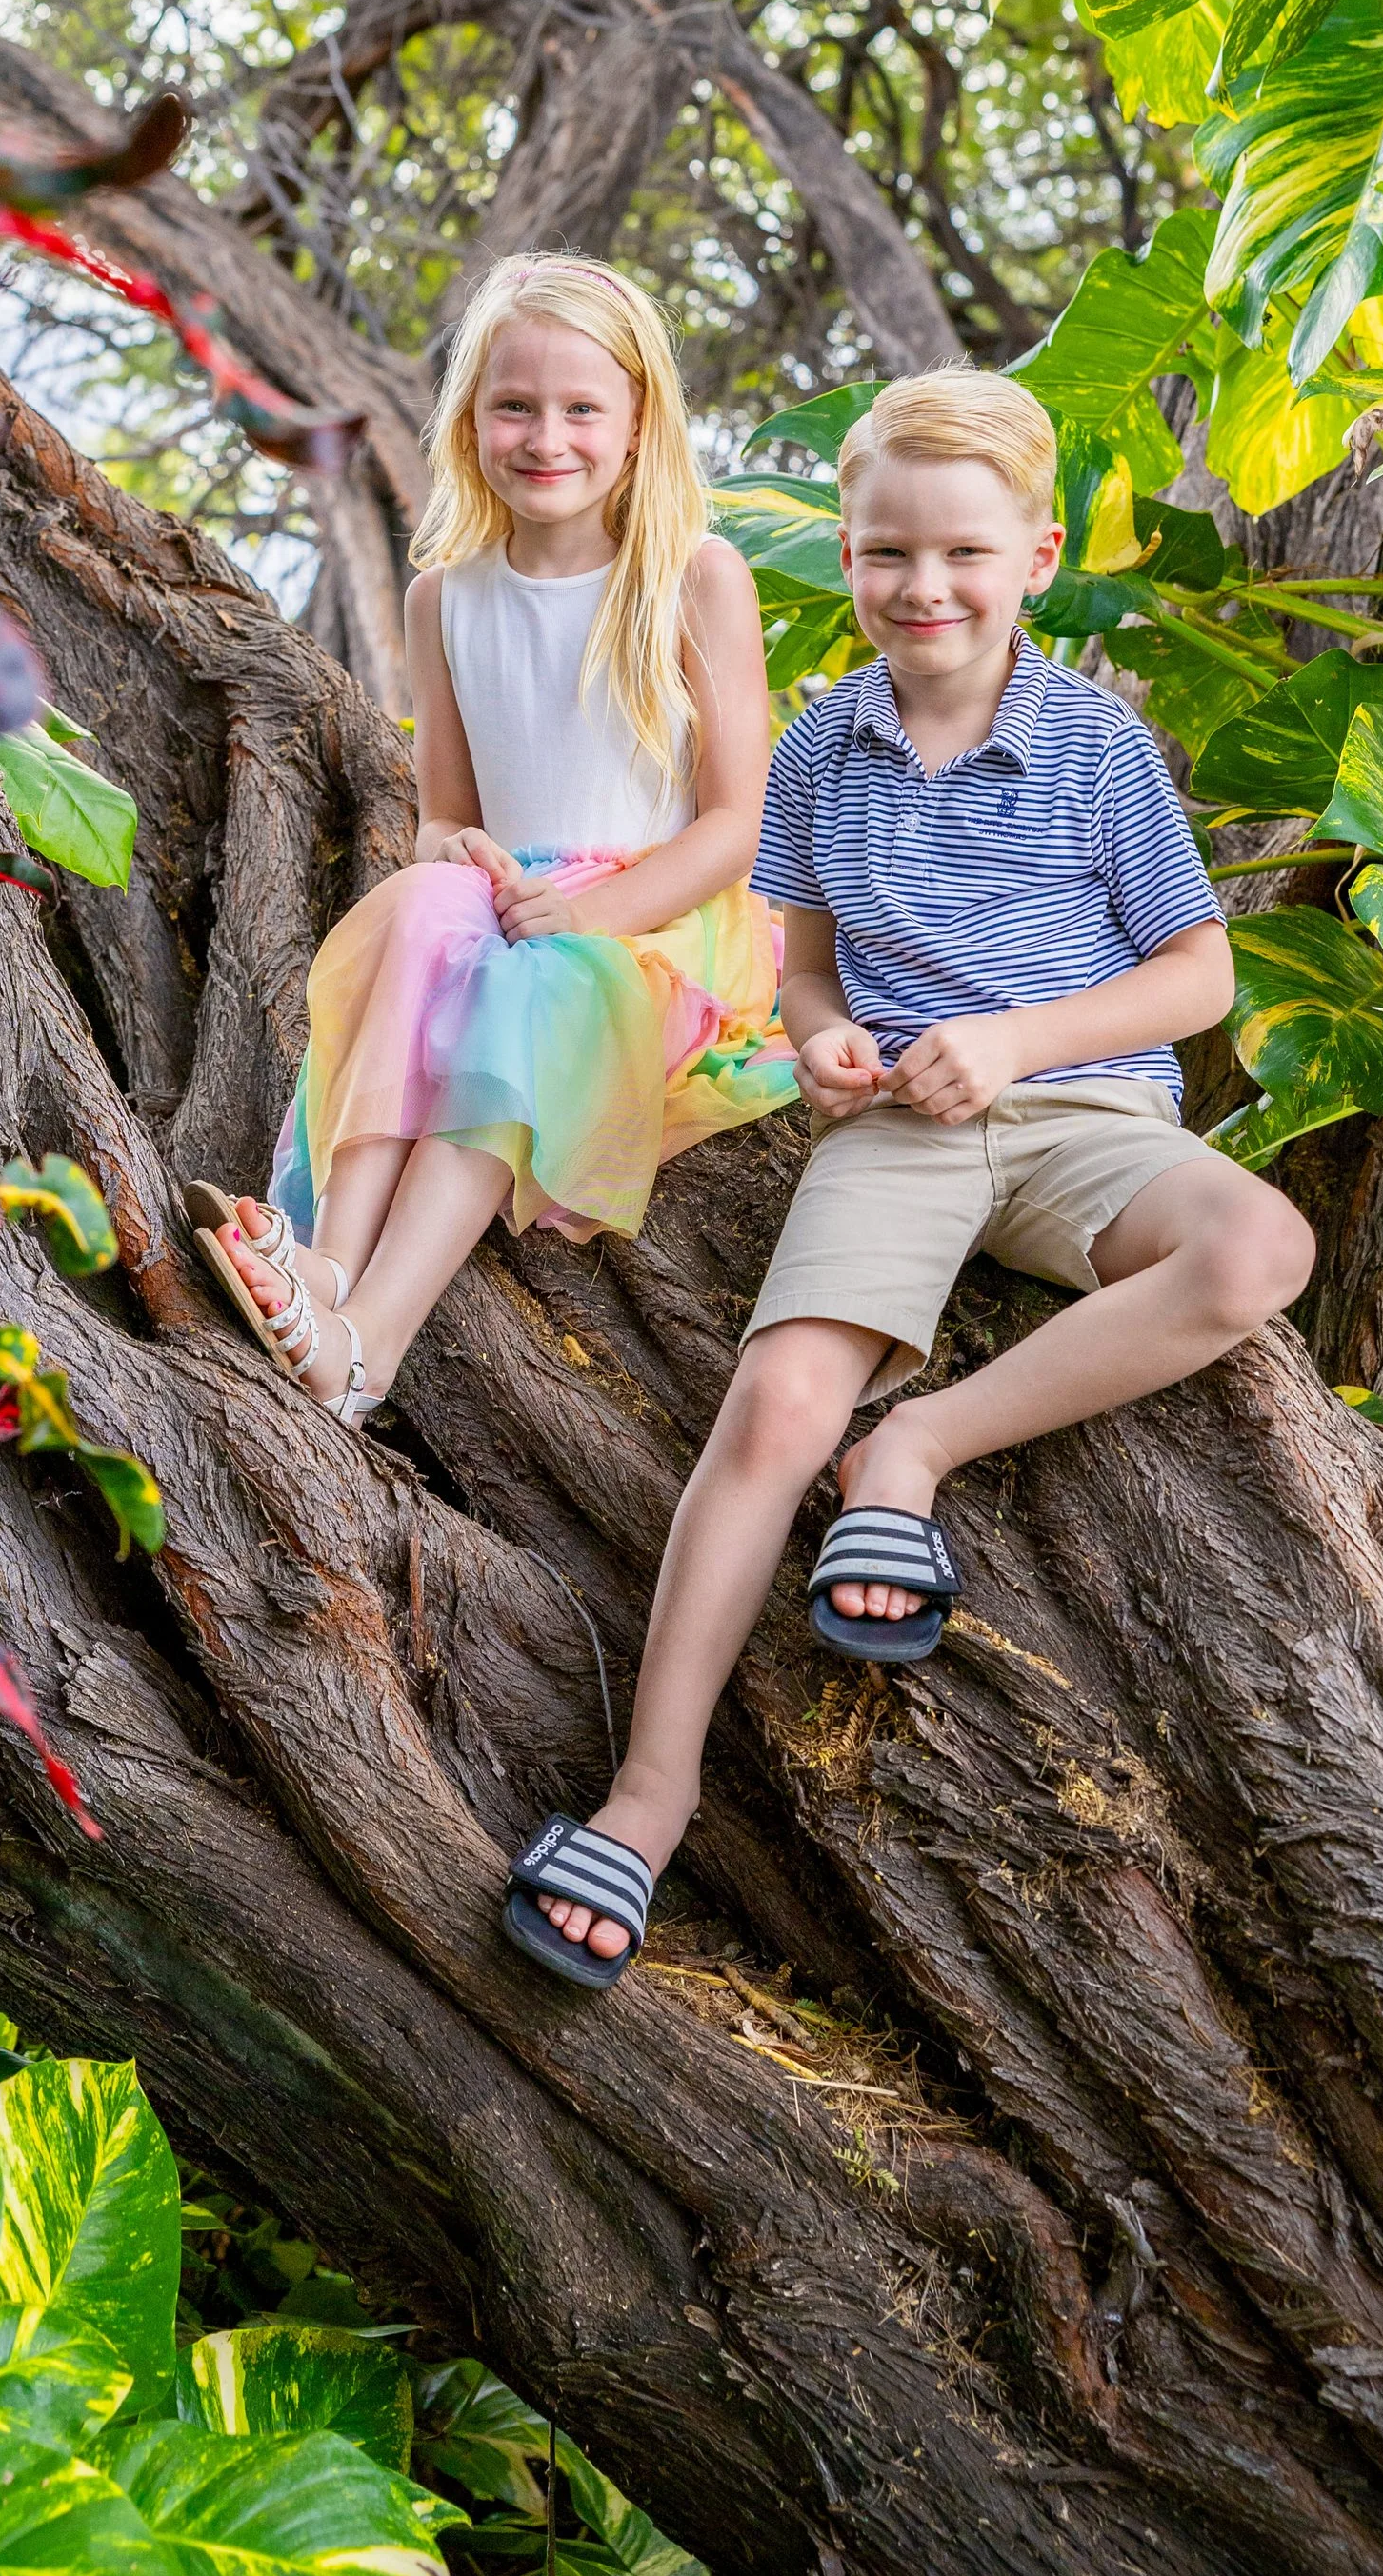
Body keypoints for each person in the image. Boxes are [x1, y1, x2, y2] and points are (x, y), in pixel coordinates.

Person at [507, 366, 1314, 1986]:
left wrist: (1011, 1045)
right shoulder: (818, 749)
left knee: (1255, 1252)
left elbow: (1198, 979)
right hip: (898, 1136)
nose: (920, 588)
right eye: (885, 555)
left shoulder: (1099, 742)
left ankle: (918, 1453)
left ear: (1035, 555)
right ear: (851, 559)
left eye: (959, 555)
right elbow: (807, 973)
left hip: (1082, 1115)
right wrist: (822, 1045)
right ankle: (645, 1806)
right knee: (771, 1410)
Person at [186, 251, 794, 1427]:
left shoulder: (689, 580)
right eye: (514, 405)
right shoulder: (444, 596)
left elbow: (732, 826)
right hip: (504, 901)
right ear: (469, 419)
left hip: (656, 928)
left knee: (529, 987)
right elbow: (445, 817)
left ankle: (367, 1347)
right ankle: (325, 1264)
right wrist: (455, 855)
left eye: (581, 409)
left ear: (637, 424)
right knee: (416, 909)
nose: (545, 436)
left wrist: (595, 912)